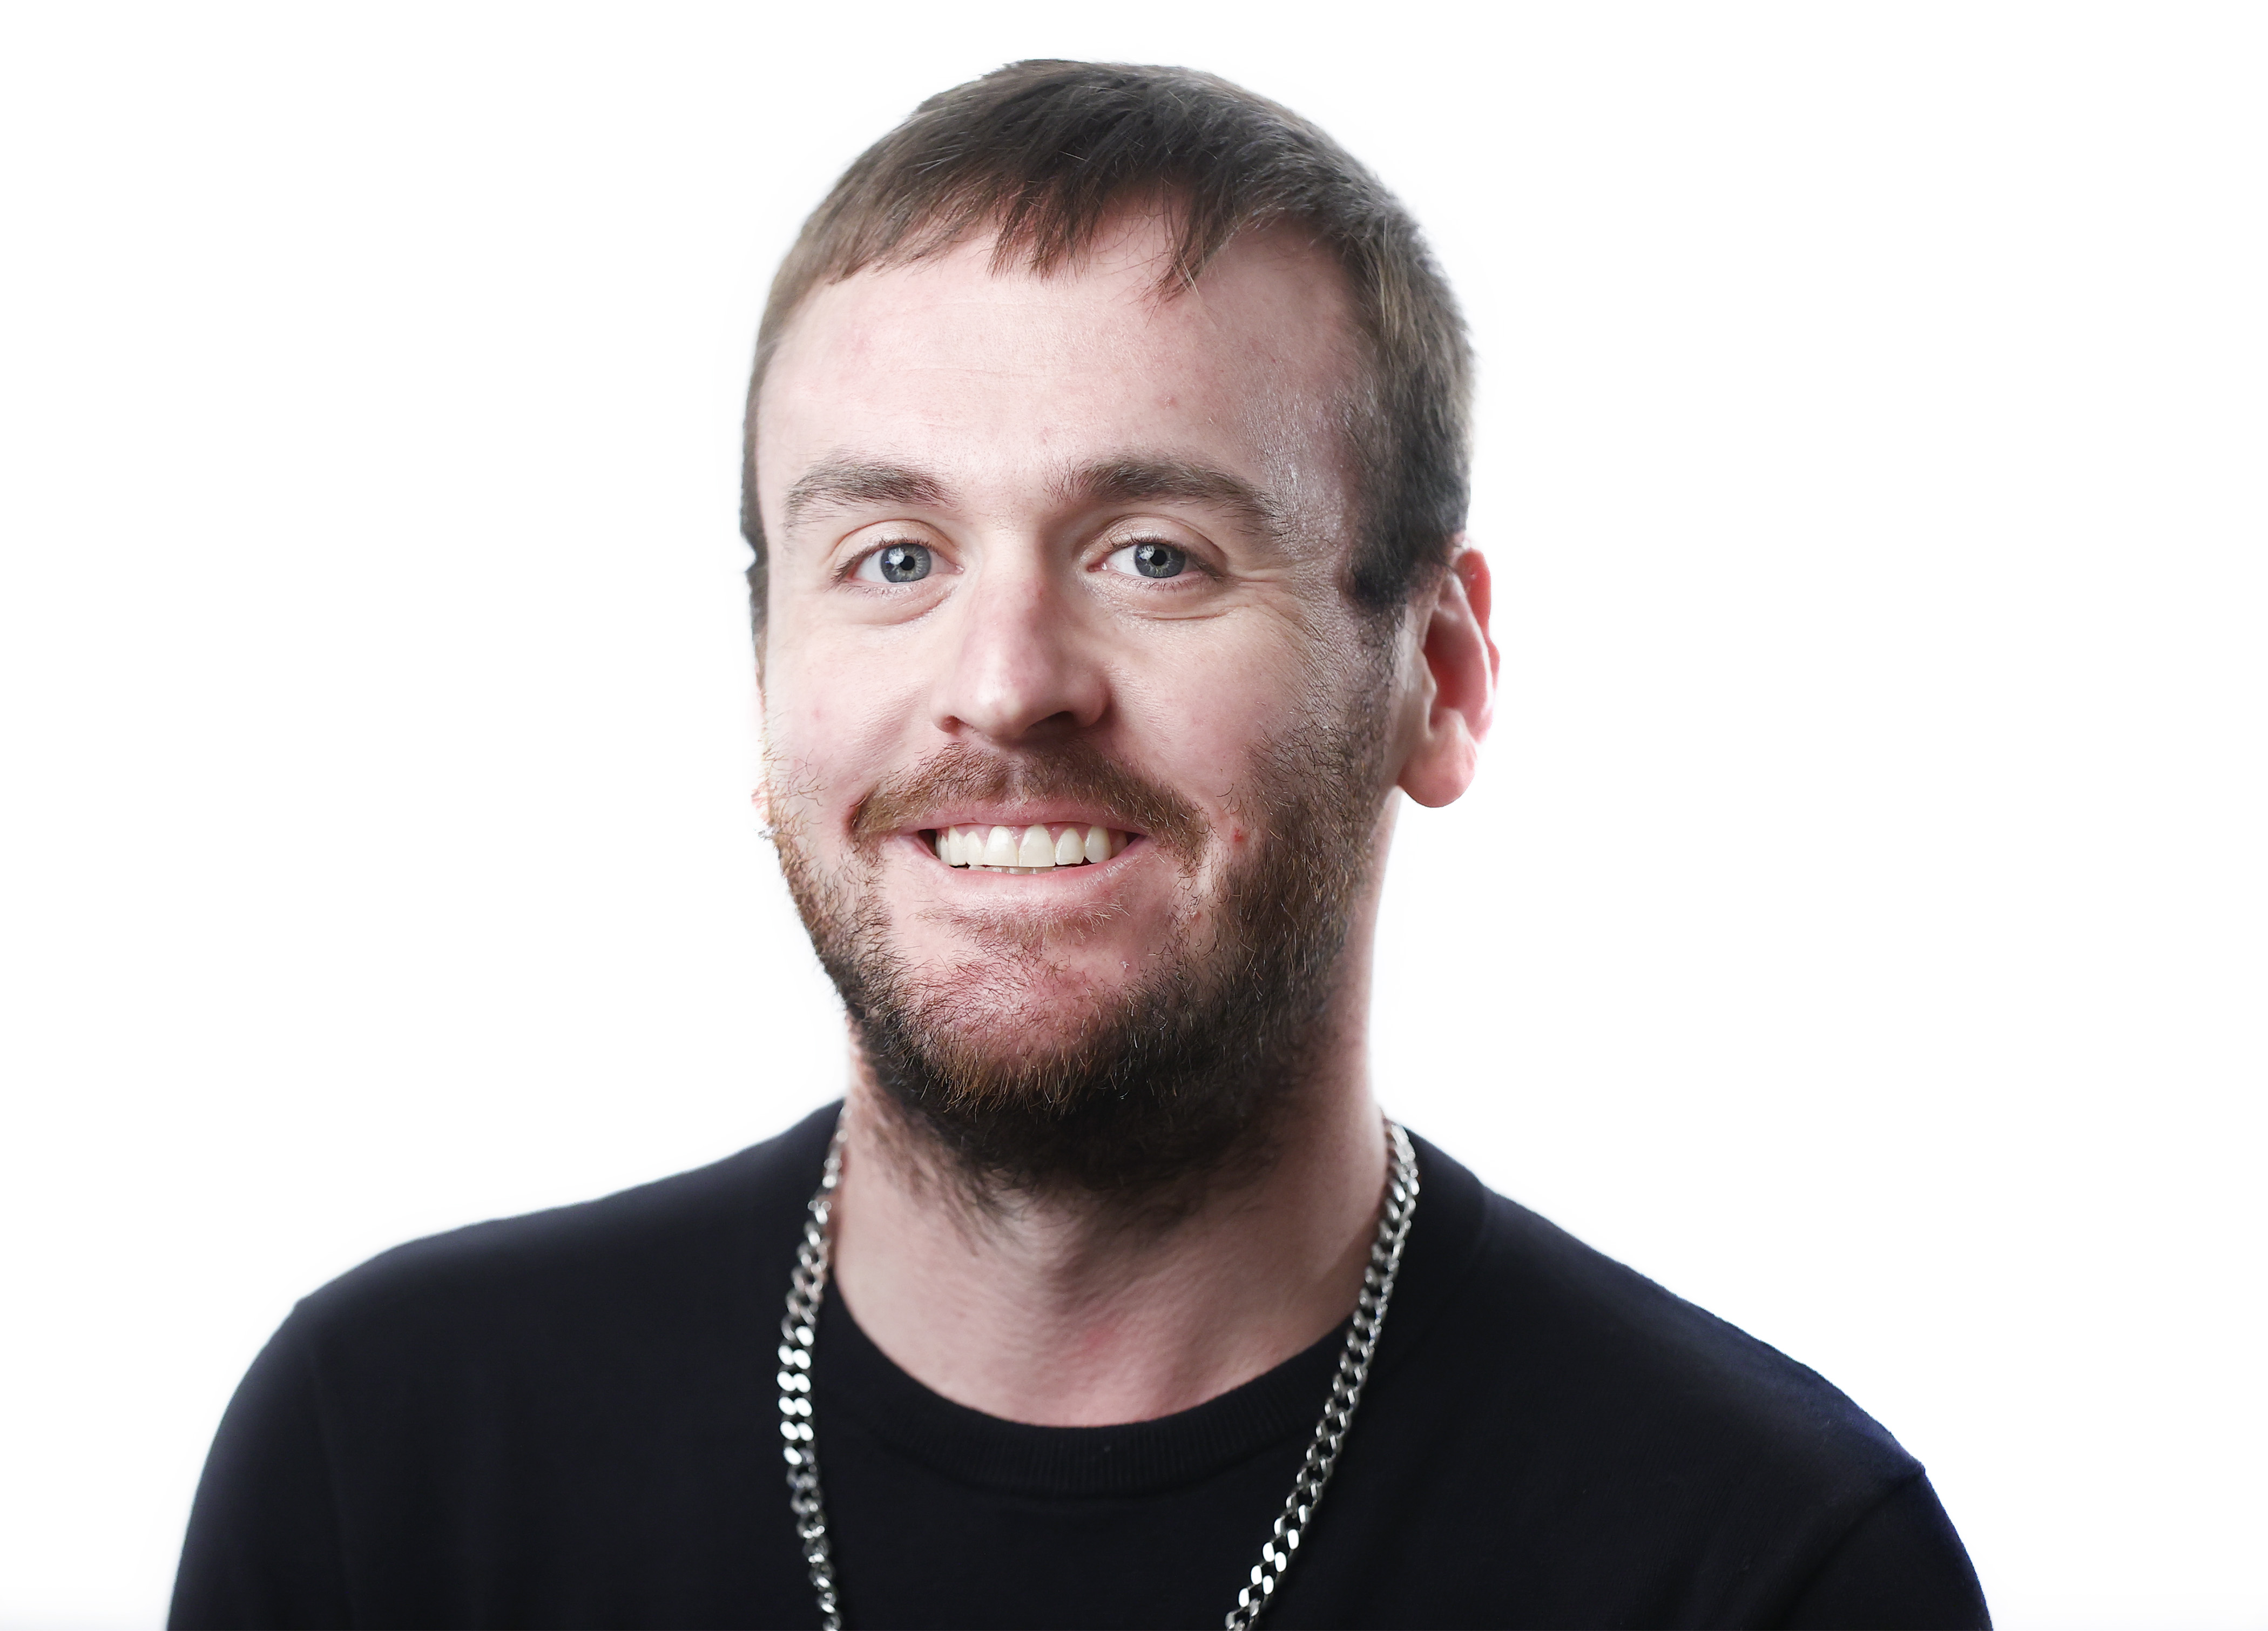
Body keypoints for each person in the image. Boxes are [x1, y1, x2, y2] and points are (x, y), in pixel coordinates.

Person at [171, 59, 1990, 1630]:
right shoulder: (392, 1465)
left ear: (1435, 679)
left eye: (1154, 554)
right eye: (893, 557)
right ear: (766, 669)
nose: (1006, 685)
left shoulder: (1765, 1565)